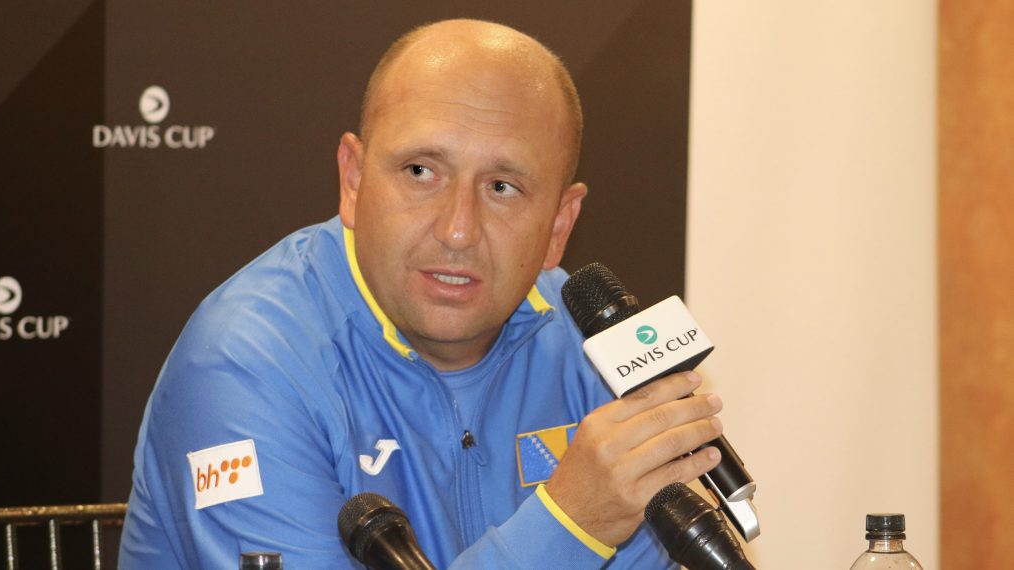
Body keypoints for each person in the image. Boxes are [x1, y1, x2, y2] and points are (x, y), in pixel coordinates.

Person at [119, 18, 724, 569]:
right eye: (420, 172)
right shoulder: (244, 361)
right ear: (353, 179)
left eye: (502, 187)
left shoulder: (587, 341)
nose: (458, 230)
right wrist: (571, 523)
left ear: (559, 227)